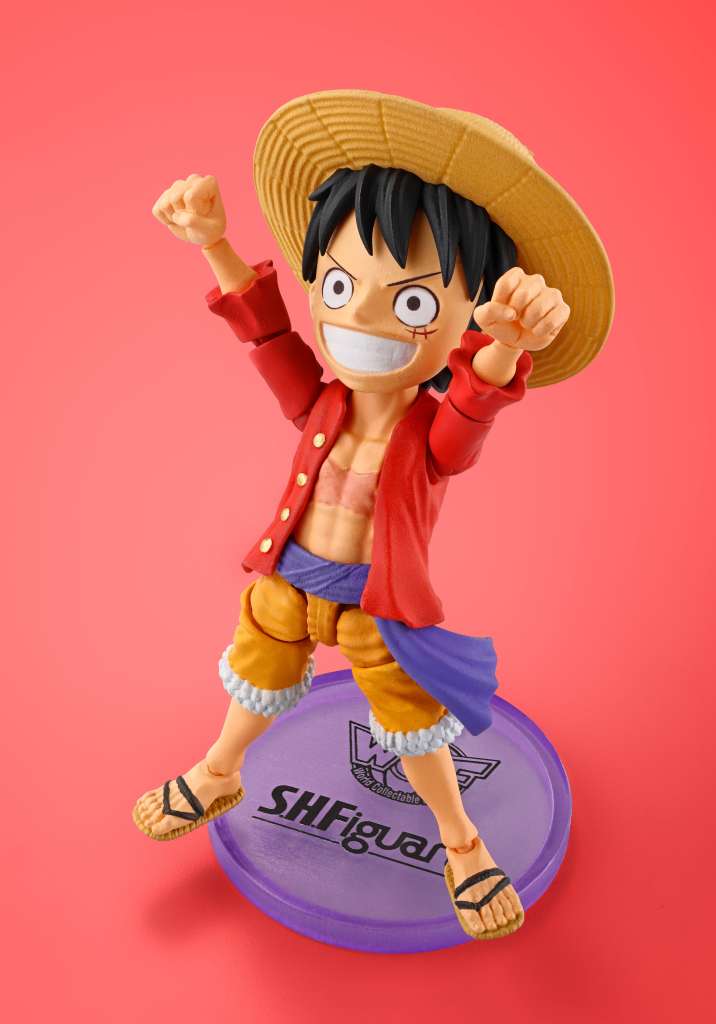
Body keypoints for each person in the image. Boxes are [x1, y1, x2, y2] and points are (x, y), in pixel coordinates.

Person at [132, 91, 613, 941]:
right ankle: (219, 771)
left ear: (463, 317)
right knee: (257, 674)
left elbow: (472, 411)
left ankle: (461, 842)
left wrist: (504, 343)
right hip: (287, 582)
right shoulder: (320, 403)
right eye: (340, 283)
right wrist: (214, 243)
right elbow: (268, 339)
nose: (356, 313)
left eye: (414, 301)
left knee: (412, 727)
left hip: (375, 610)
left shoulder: (432, 437)